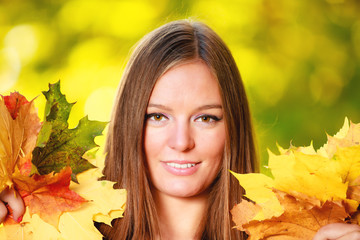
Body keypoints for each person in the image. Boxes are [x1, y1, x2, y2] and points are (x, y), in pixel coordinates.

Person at [1, 19, 360, 240]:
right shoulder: (54, 229)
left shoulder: (291, 234)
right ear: (130, 124)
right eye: (157, 116)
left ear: (232, 128)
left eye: (206, 118)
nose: (181, 142)